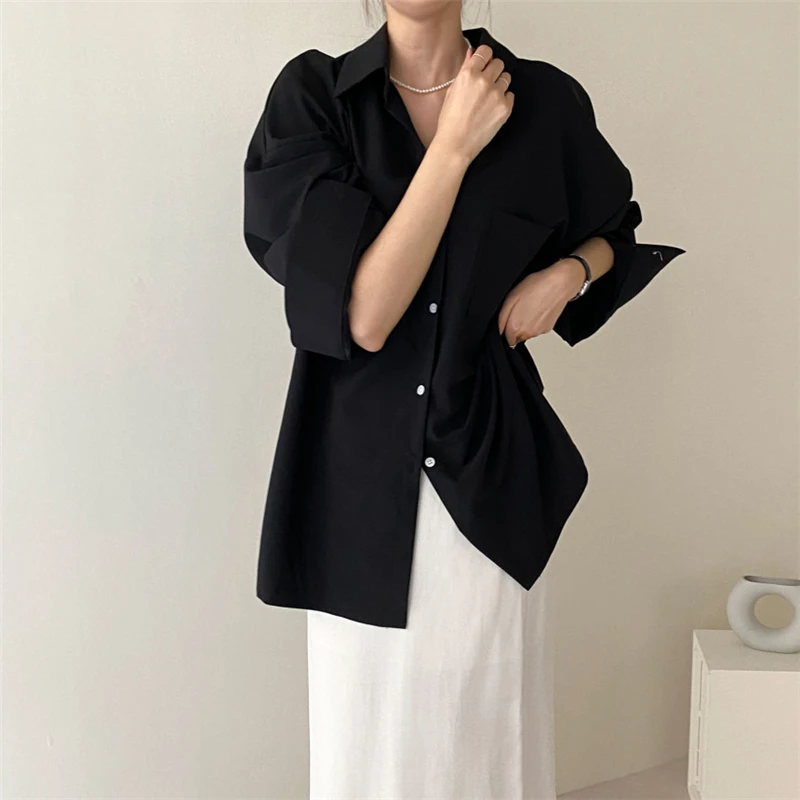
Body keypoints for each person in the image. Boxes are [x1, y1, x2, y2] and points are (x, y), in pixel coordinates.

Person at [242, 2, 686, 798]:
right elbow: (365, 316)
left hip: (490, 474)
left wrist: (569, 273)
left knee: (489, 743)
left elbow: (616, 230)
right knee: (373, 748)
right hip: (357, 491)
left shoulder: (542, 102)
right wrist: (453, 147)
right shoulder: (316, 100)